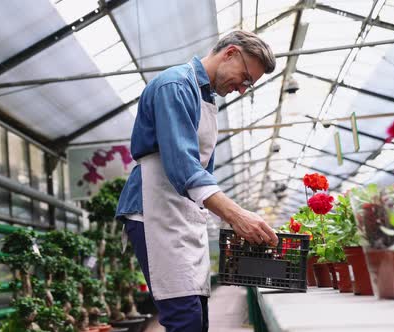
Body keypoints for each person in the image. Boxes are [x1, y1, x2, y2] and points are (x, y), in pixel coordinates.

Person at [115, 30, 279, 332]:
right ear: (229, 53)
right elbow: (182, 164)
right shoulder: (176, 85)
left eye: (249, 86)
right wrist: (236, 215)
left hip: (182, 213)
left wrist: (228, 218)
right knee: (184, 318)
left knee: (197, 315)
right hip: (154, 212)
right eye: (244, 78)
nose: (242, 89)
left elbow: (202, 171)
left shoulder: (204, 95)